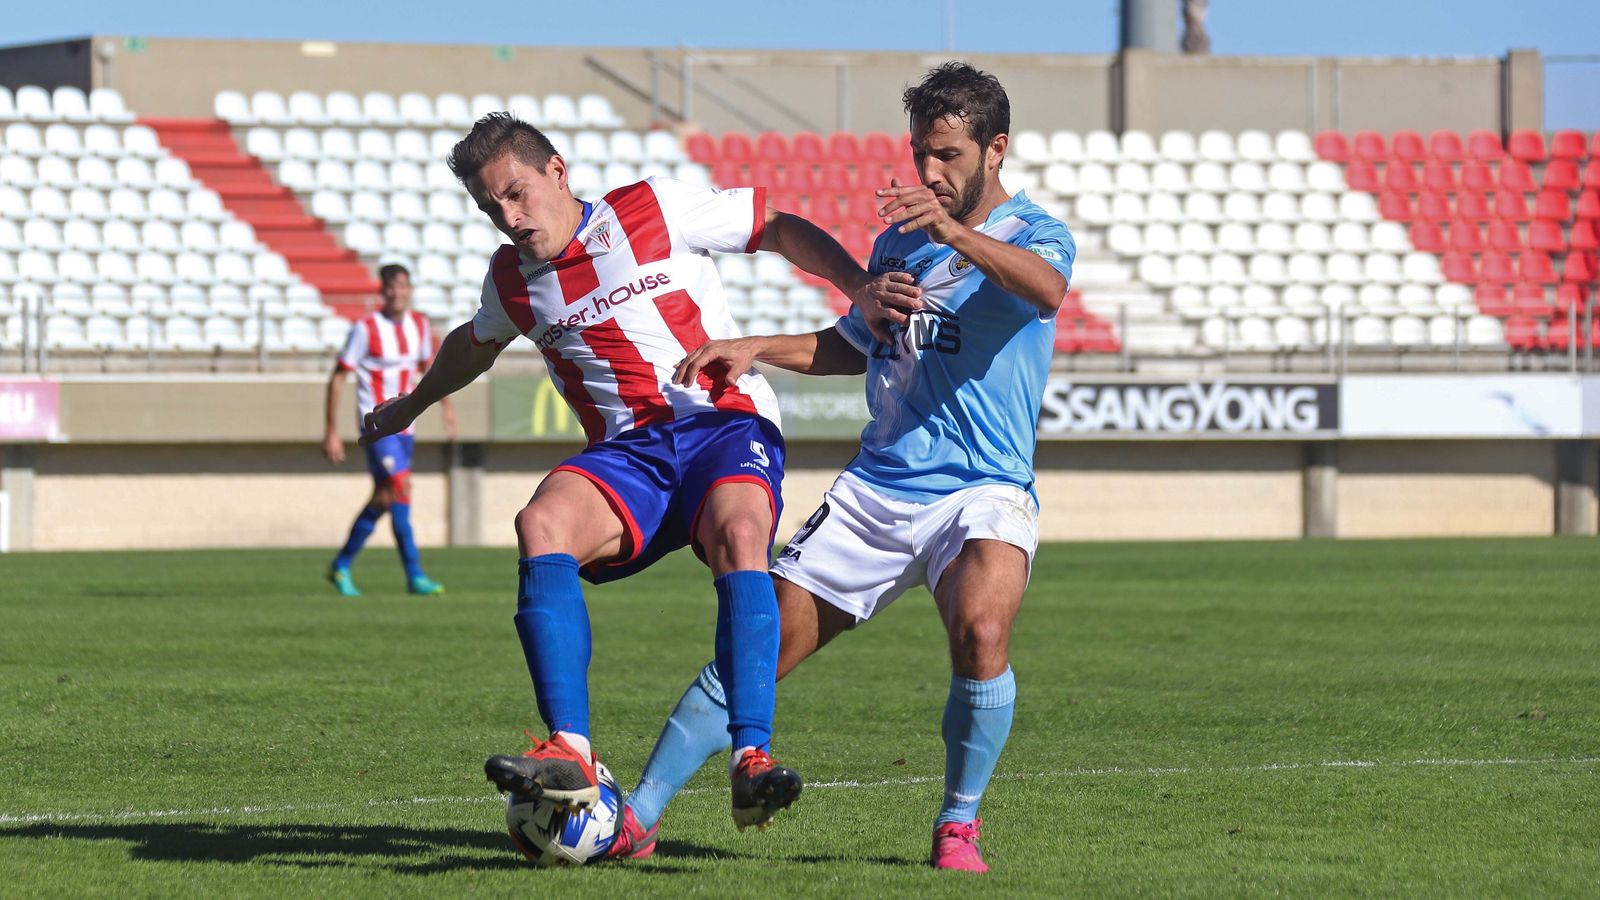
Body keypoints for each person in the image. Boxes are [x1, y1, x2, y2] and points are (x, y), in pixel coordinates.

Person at [358, 113, 898, 833]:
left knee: (742, 535)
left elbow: (775, 225)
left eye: (517, 195)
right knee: (540, 522)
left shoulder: (650, 207)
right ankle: (571, 752)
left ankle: (751, 757)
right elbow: (475, 344)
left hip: (721, 422)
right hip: (628, 454)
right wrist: (410, 404)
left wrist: (858, 284)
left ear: (557, 171)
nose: (510, 219)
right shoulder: (512, 280)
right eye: (492, 209)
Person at [610, 62, 1075, 872]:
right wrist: (756, 347)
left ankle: (957, 826)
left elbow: (1045, 292)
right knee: (755, 650)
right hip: (877, 491)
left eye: (948, 155)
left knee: (982, 629)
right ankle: (638, 816)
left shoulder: (1036, 233)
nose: (929, 171)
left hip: (984, 490)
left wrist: (955, 232)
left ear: (995, 150)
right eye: (919, 152)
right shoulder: (896, 243)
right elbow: (852, 344)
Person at [323, 263, 455, 596]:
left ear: (409, 289)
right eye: (390, 288)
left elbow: (430, 369)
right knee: (401, 488)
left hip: (406, 426)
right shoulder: (366, 328)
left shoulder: (420, 326)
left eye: (402, 286)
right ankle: (415, 575)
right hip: (377, 425)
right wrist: (331, 430)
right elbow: (338, 376)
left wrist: (447, 407)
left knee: (384, 498)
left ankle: (341, 566)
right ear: (382, 292)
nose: (396, 293)